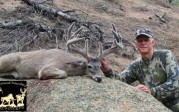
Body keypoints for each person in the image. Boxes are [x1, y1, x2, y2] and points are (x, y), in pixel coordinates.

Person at [101, 28, 179, 111]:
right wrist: (107, 71)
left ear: (153, 42)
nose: (143, 43)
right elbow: (121, 81)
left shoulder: (165, 55)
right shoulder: (136, 65)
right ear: (136, 45)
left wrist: (151, 91)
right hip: (154, 106)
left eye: (146, 40)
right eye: (140, 41)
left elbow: (176, 82)